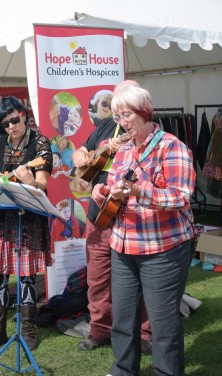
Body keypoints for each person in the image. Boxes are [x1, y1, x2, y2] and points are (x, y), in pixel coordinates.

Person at [94, 81, 195, 376]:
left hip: (162, 249)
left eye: (127, 115)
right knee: (123, 321)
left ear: (144, 112)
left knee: (163, 325)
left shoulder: (172, 147)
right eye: (117, 117)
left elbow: (180, 196)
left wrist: (140, 192)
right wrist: (103, 192)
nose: (122, 123)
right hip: (123, 247)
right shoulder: (124, 150)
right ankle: (123, 371)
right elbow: (114, 186)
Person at [72, 81, 152, 354]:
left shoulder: (151, 134)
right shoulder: (107, 127)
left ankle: (145, 333)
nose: (121, 116)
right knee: (97, 276)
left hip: (130, 218)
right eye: (117, 106)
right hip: (98, 217)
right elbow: (80, 152)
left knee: (140, 279)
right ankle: (100, 330)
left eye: (126, 108)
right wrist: (81, 155)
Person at [0, 96, 53, 352]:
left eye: (14, 120)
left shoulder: (40, 142)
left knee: (26, 277)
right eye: (4, 124)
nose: (10, 127)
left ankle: (28, 330)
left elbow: (42, 183)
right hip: (0, 217)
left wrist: (30, 180)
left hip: (27, 219)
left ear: (23, 114)